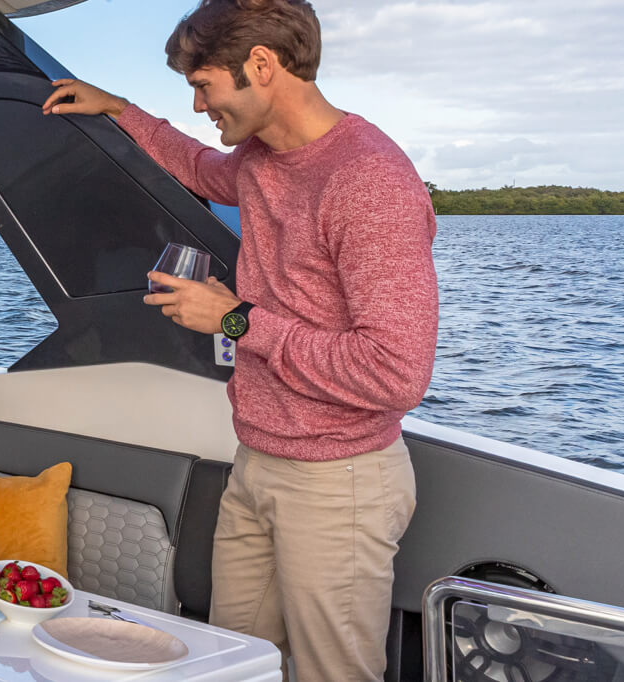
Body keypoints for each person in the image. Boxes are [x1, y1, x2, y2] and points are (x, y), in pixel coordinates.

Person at [42, 1, 438, 680]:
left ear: (261, 64)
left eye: (204, 86)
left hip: (337, 481)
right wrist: (120, 110)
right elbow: (200, 168)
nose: (198, 106)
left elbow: (395, 372)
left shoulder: (369, 182)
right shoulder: (261, 158)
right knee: (231, 663)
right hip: (256, 459)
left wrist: (235, 320)